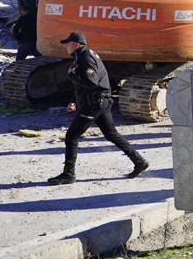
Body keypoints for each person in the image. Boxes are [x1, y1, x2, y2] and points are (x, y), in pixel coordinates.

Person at [47, 32, 148, 185]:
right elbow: (83, 84)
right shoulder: (81, 56)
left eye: (68, 43)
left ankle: (68, 174)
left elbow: (91, 82)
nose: (66, 46)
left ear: (77, 44)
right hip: (99, 102)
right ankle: (139, 161)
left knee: (71, 136)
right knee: (111, 133)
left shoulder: (85, 57)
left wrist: (72, 76)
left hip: (94, 104)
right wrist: (74, 100)